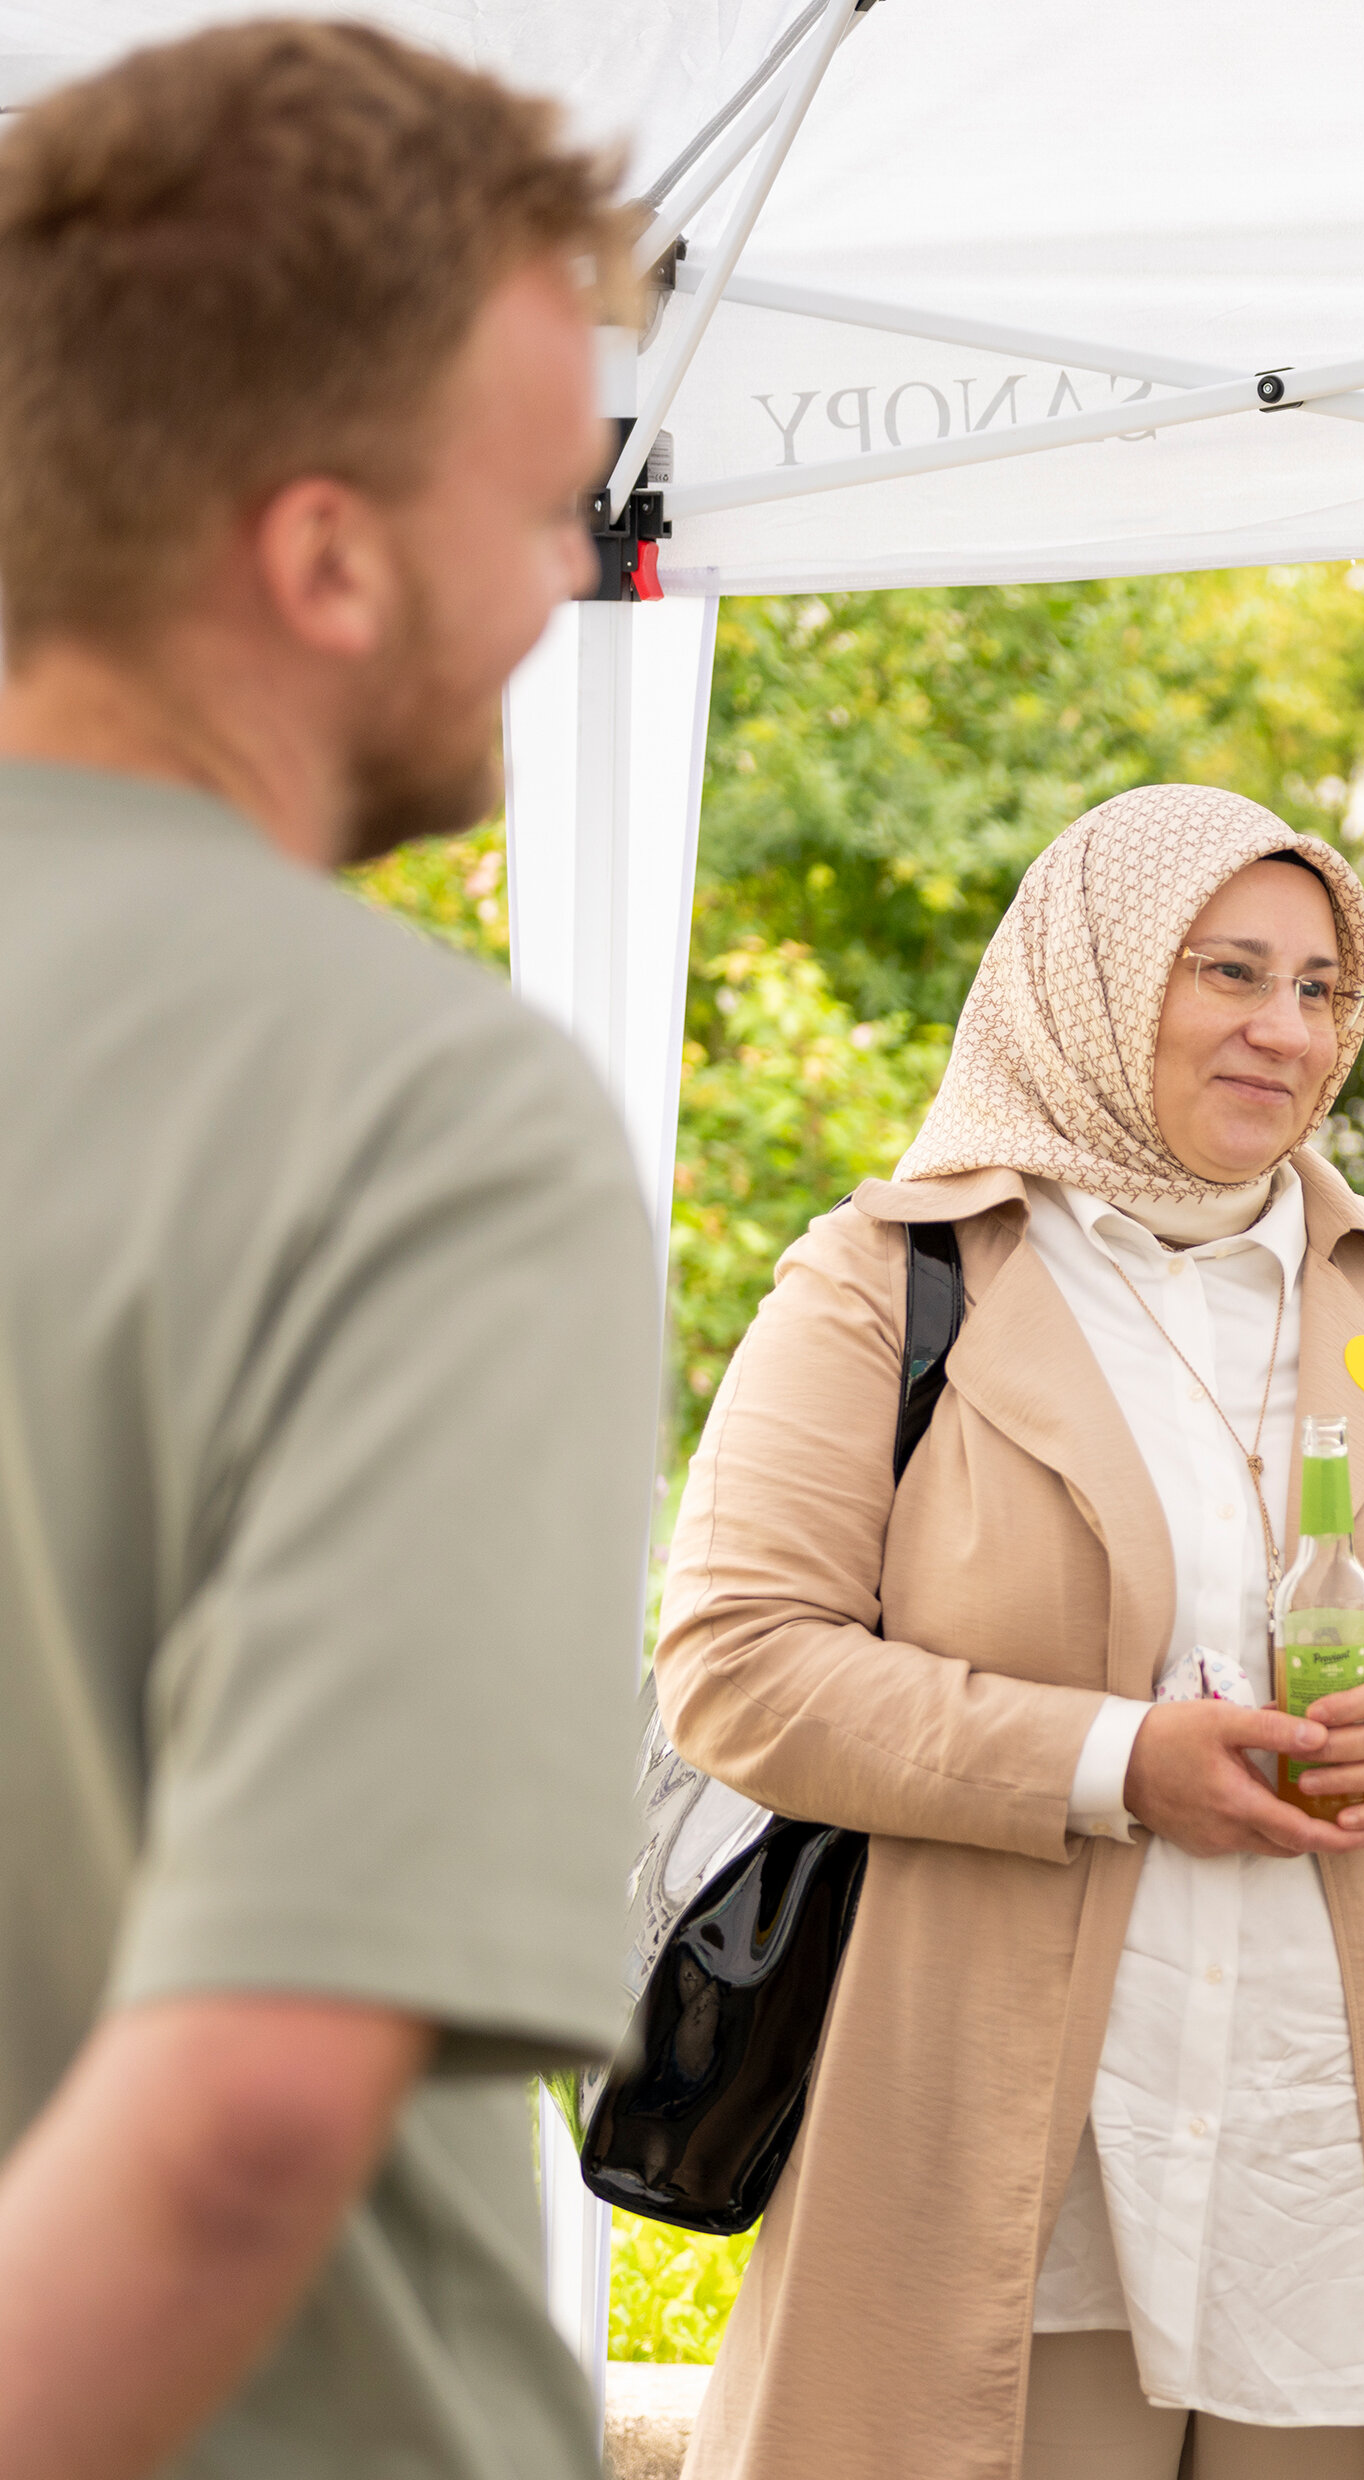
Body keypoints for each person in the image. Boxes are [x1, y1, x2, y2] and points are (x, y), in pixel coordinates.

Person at [654, 784, 1364, 2480]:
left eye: (1321, 988)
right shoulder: (889, 1284)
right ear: (1094, 979)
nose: (1286, 1030)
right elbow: (737, 1662)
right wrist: (1117, 1763)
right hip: (1000, 2117)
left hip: (1332, 2136)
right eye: (1228, 972)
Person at [0, 25, 662, 2480]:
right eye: (540, 514)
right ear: (324, 556)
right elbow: (243, 2125)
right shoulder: (423, 1113)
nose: (567, 592)